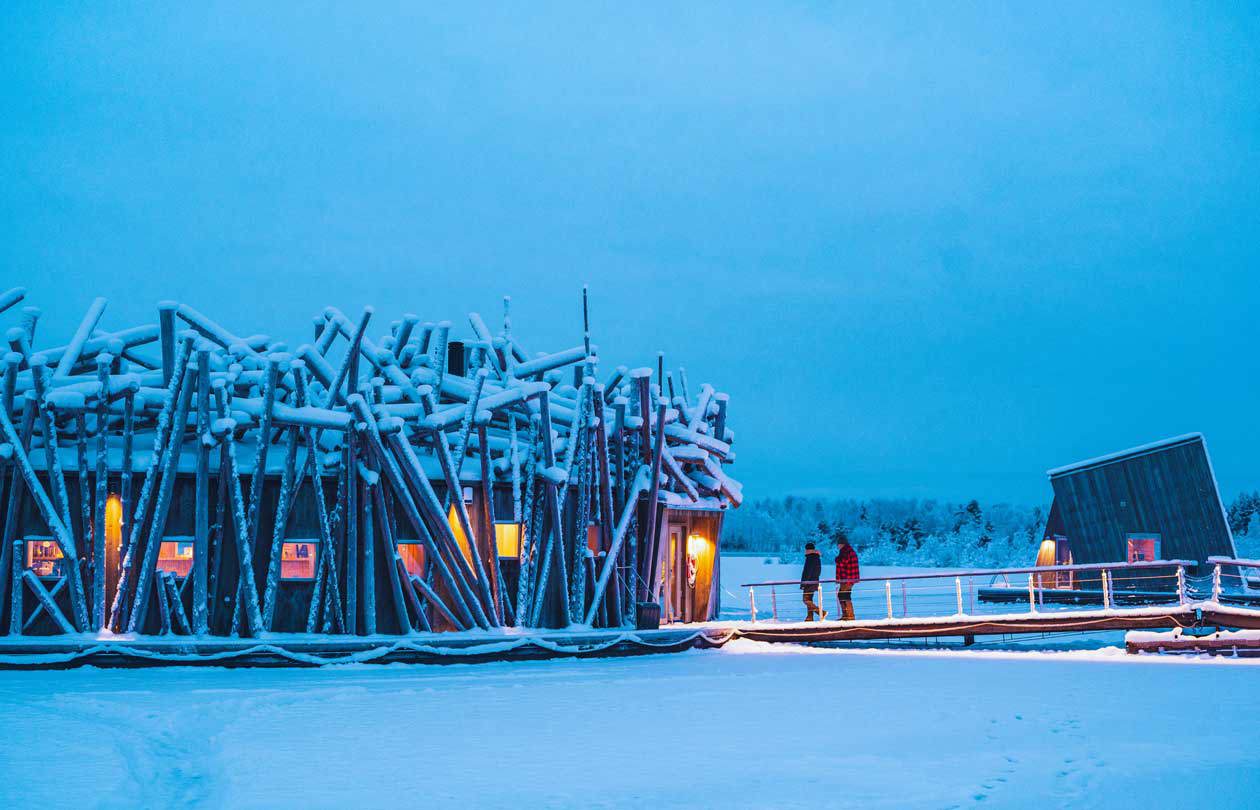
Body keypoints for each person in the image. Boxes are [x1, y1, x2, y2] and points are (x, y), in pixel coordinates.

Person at [834, 534, 861, 621]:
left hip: (847, 578)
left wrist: (837, 559)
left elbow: (842, 563)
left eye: (838, 544)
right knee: (843, 595)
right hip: (849, 578)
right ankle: (847, 615)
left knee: (844, 596)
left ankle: (849, 616)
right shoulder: (848, 550)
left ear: (842, 544)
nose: (837, 546)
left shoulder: (845, 551)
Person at [800, 542, 826, 621]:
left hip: (809, 582)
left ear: (808, 550)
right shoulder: (816, 557)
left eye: (806, 550)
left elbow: (807, 572)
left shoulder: (810, 558)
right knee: (809, 600)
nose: (805, 551)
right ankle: (809, 617)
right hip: (814, 581)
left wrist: (804, 583)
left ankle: (821, 612)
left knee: (806, 600)